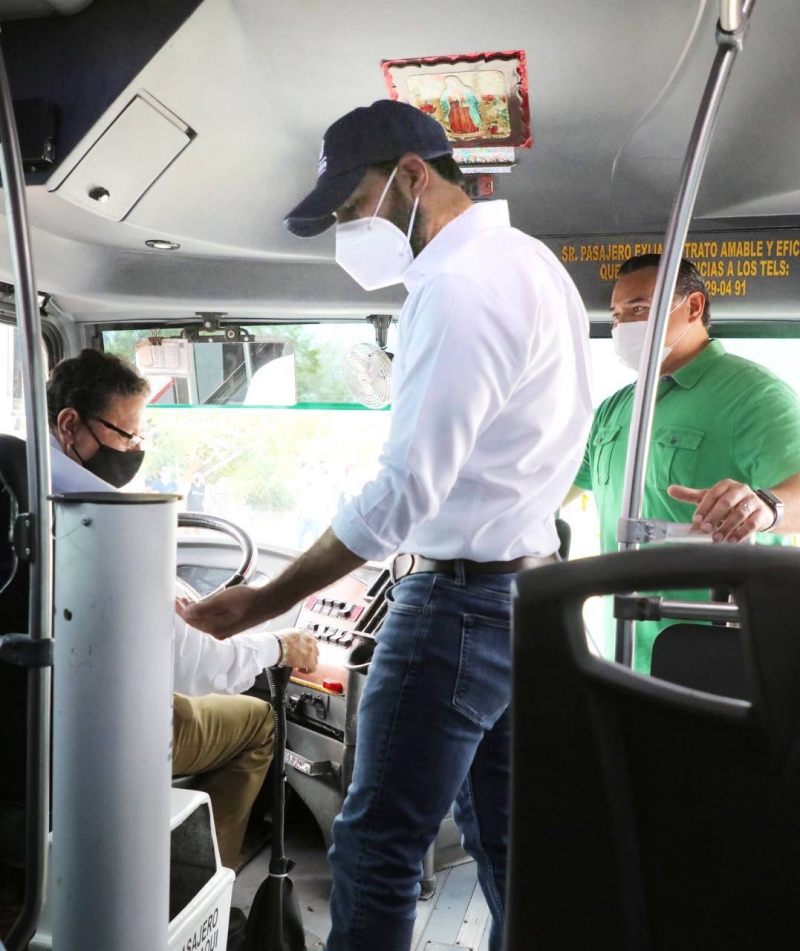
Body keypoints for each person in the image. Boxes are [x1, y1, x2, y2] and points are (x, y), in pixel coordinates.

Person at [179, 99, 592, 951]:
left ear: (412, 175)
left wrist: (259, 606)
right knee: (513, 844)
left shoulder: (456, 285)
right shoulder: (533, 264)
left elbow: (404, 493)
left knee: (375, 846)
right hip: (529, 595)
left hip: (458, 606)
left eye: (350, 206)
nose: (347, 230)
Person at [47, 349, 319, 869]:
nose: (133, 450)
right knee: (258, 720)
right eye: (126, 436)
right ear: (69, 425)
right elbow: (199, 670)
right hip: (107, 732)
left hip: (38, 723)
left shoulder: (25, 492)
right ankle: (203, 888)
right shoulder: (114, 524)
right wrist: (279, 644)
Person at [570, 254, 800, 672]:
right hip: (625, 655)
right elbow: (548, 491)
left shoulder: (753, 396)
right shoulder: (618, 409)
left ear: (693, 307)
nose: (624, 326)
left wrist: (764, 507)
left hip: (720, 654)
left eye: (639, 308)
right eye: (618, 316)